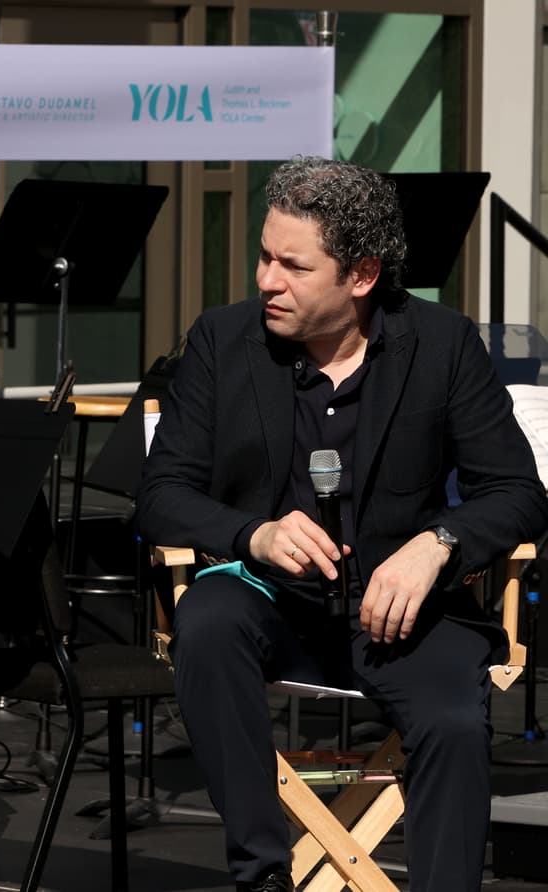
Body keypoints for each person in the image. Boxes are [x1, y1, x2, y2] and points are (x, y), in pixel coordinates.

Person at [137, 157, 548, 892]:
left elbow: (517, 493)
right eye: (264, 257)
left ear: (360, 276)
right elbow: (161, 493)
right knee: (205, 622)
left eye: (292, 266)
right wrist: (254, 536)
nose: (266, 280)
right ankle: (262, 876)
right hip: (269, 601)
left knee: (455, 725)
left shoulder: (444, 344)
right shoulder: (221, 341)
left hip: (402, 613)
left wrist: (439, 544)